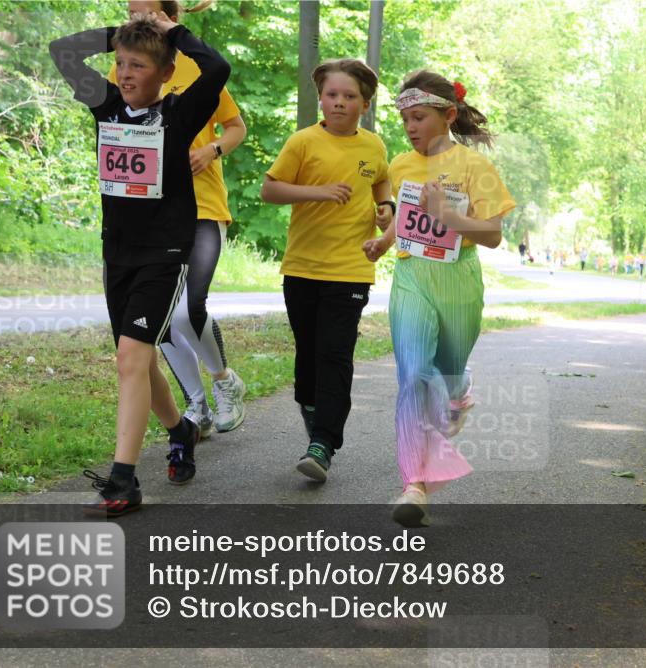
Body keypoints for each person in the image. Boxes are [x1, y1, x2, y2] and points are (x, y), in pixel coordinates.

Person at [50, 10, 230, 514]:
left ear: (166, 74)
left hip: (166, 254)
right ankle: (181, 429)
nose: (126, 74)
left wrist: (172, 34)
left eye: (139, 66)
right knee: (139, 358)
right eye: (121, 64)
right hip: (119, 254)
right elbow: (62, 50)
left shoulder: (178, 114)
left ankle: (123, 480)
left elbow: (216, 69)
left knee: (130, 357)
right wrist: (123, 36)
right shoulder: (106, 107)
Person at [361, 71, 515, 527]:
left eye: (419, 117)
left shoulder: (475, 167)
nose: (410, 127)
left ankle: (460, 389)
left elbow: (492, 235)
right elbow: (407, 215)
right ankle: (416, 483)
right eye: (405, 118)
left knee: (444, 375)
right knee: (412, 375)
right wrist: (386, 242)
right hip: (411, 277)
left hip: (458, 281)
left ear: (448, 115)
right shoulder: (402, 166)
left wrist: (448, 215)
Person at [111, 0, 247, 438]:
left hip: (203, 208)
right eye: (129, 11)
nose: (134, 18)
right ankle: (196, 405)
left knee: (189, 313)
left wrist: (213, 150)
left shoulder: (193, 68)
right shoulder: (127, 69)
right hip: (151, 218)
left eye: (144, 12)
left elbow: (236, 126)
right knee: (161, 323)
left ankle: (225, 381)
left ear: (170, 17)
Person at [260, 59, 391, 481]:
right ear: (321, 99)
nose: (339, 103)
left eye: (349, 96)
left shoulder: (374, 146)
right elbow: (271, 189)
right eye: (332, 95)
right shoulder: (302, 142)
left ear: (364, 104)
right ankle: (316, 416)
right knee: (308, 356)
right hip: (302, 267)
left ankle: (323, 443)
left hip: (351, 269)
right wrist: (318, 192)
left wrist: (385, 207)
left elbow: (381, 183)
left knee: (335, 354)